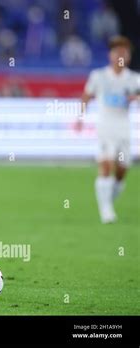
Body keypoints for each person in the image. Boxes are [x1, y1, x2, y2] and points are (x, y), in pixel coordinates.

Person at [76, 36, 139, 223]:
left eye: (124, 52)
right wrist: (80, 116)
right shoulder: (98, 76)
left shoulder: (134, 79)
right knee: (105, 165)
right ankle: (106, 211)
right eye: (116, 51)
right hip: (105, 126)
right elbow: (86, 96)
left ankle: (107, 201)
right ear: (110, 55)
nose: (120, 55)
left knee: (121, 171)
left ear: (128, 56)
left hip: (124, 127)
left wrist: (135, 99)